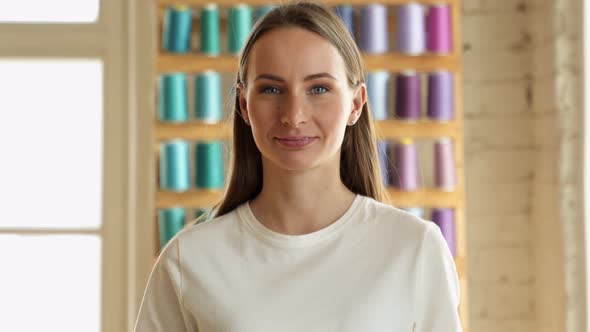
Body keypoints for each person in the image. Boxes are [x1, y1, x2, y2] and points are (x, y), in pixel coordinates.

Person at [134, 1, 462, 331]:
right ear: (244, 106)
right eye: (271, 89)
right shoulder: (188, 259)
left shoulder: (414, 249)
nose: (294, 115)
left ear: (356, 104)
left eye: (318, 88)